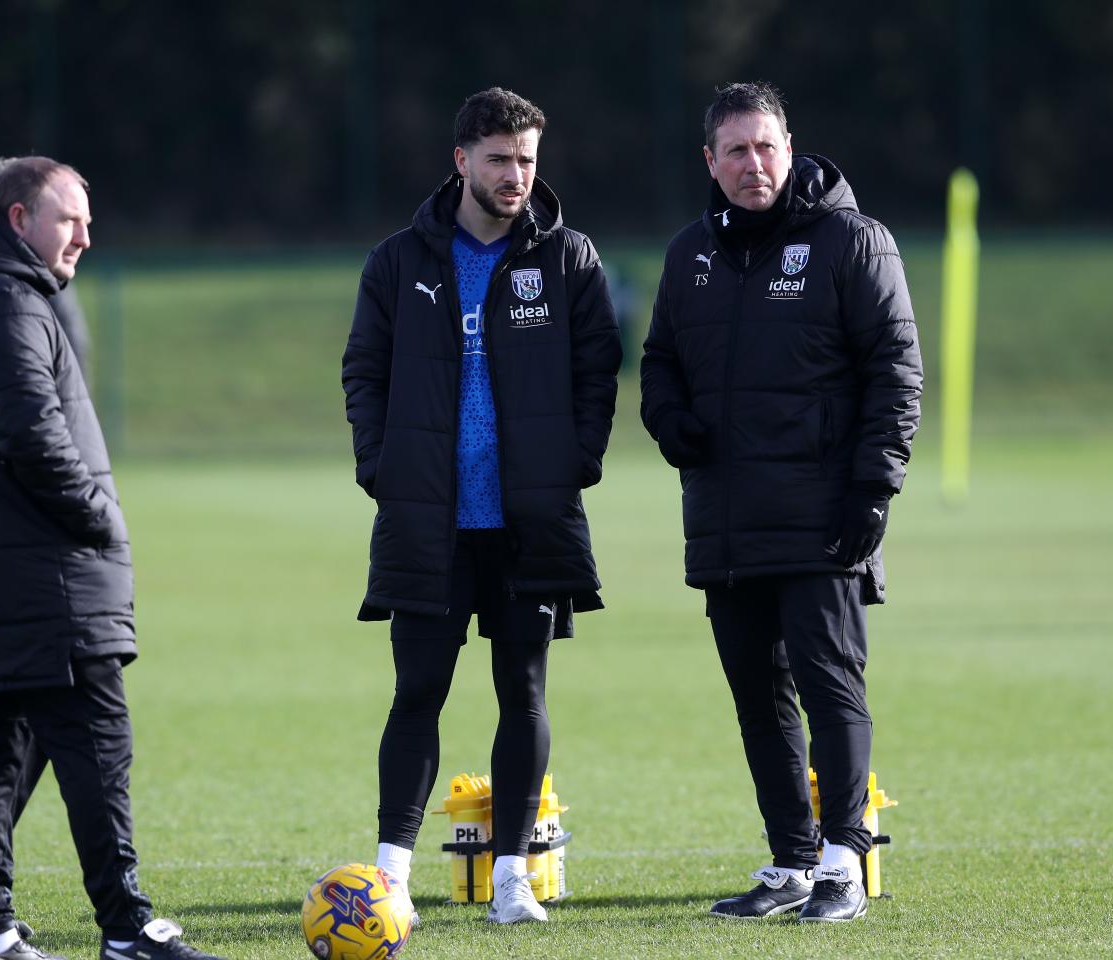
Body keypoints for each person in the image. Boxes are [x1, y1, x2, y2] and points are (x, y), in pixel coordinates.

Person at [0, 156, 223, 960]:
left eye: (87, 219)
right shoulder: (9, 302)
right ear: (18, 220)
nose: (85, 234)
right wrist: (101, 520)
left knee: (0, 741)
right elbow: (33, 438)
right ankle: (126, 927)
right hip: (45, 575)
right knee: (97, 742)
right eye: (68, 218)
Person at [640, 82, 923, 923]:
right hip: (727, 519)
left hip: (821, 513)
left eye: (766, 146)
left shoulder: (852, 241)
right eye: (736, 149)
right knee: (759, 701)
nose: (753, 163)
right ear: (710, 161)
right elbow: (657, 361)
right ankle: (792, 863)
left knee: (831, 687)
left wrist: (874, 486)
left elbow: (896, 371)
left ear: (790, 147)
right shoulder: (690, 252)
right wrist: (669, 421)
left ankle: (843, 864)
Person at [342, 87, 621, 925]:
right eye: (499, 159)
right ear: (460, 160)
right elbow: (363, 370)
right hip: (427, 517)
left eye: (527, 159)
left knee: (524, 694)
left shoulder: (568, 258)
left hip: (528, 521)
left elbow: (598, 370)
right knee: (417, 691)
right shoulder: (399, 261)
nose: (516, 176)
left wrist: (574, 462)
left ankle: (510, 877)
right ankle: (391, 873)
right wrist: (379, 468)